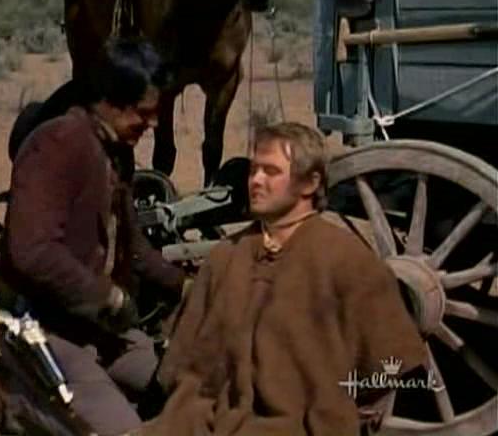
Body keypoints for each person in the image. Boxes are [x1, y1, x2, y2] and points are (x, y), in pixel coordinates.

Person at [142, 122, 427, 436]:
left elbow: (389, 363)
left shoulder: (347, 260)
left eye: (271, 171)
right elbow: (182, 363)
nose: (255, 180)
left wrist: (337, 405)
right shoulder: (226, 256)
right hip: (210, 422)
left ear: (310, 183)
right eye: (253, 170)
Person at [0, 37, 185, 436]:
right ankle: (5, 394)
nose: (152, 124)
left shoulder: (115, 149)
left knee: (181, 390)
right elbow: (32, 252)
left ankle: (78, 386)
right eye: (144, 112)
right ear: (109, 101)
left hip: (98, 327)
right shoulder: (57, 143)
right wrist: (108, 296)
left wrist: (183, 286)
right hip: (45, 323)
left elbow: (133, 247)